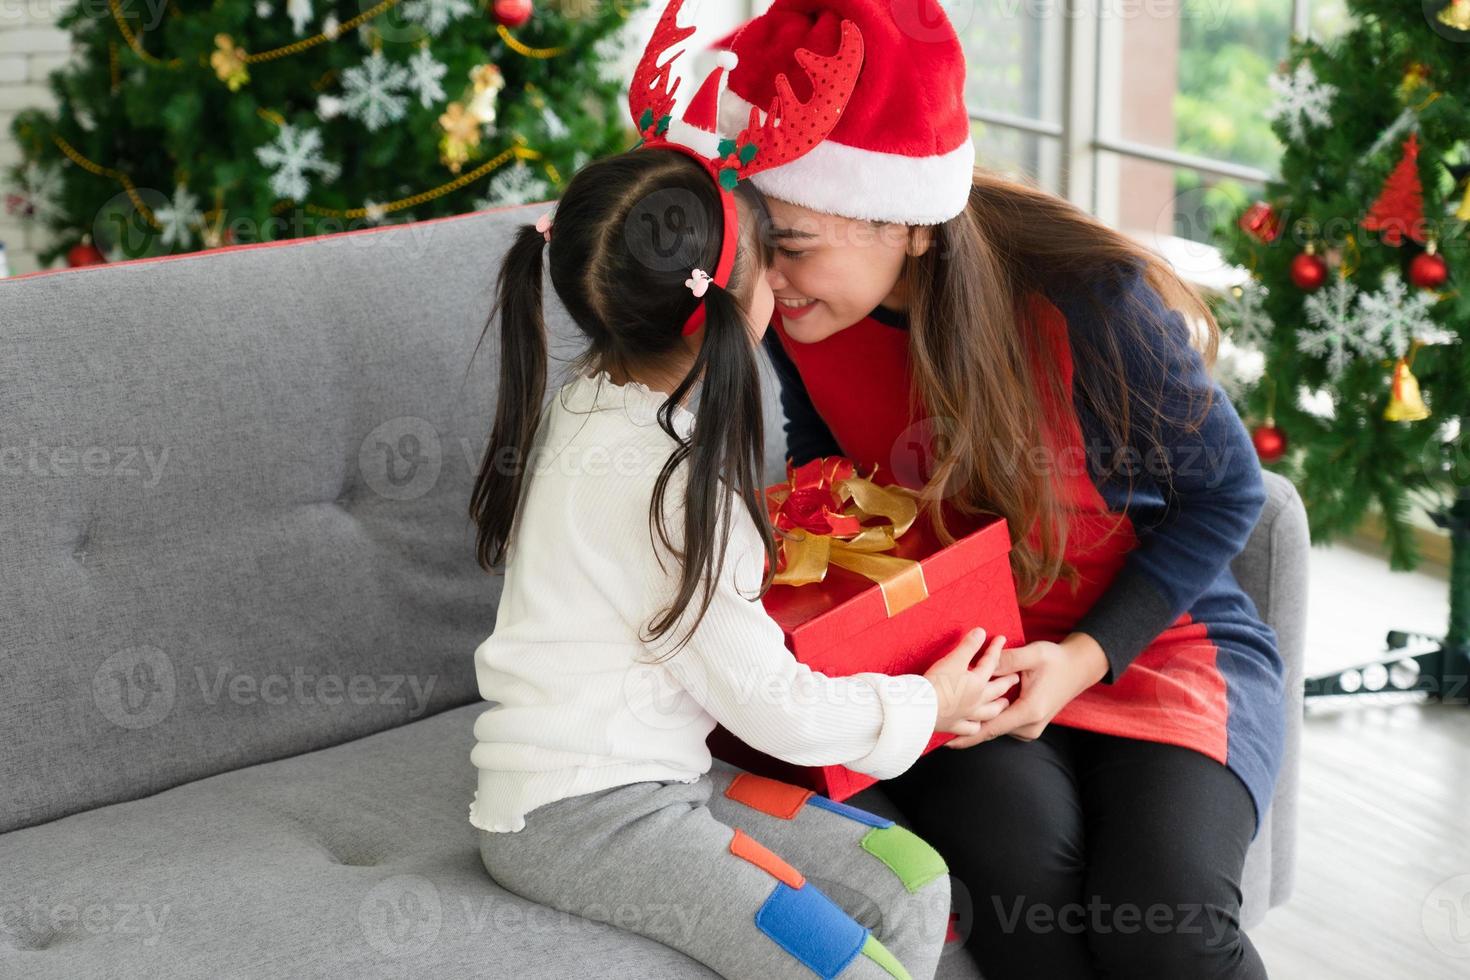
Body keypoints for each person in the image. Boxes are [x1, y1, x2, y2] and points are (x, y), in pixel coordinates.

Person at [716, 1, 1286, 976]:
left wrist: (1080, 657)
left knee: (1163, 926)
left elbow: (1228, 496)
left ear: (911, 225)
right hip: (962, 651)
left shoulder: (1088, 299)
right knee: (1023, 899)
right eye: (756, 240)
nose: (768, 276)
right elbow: (833, 455)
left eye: (796, 241)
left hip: (1155, 641)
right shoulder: (789, 311)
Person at [466, 7, 1017, 976]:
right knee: (840, 959)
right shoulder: (674, 489)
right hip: (579, 813)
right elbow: (780, 710)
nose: (793, 280)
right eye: (778, 254)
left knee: (909, 872)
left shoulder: (598, 394)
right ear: (734, 302)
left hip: (659, 778)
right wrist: (927, 701)